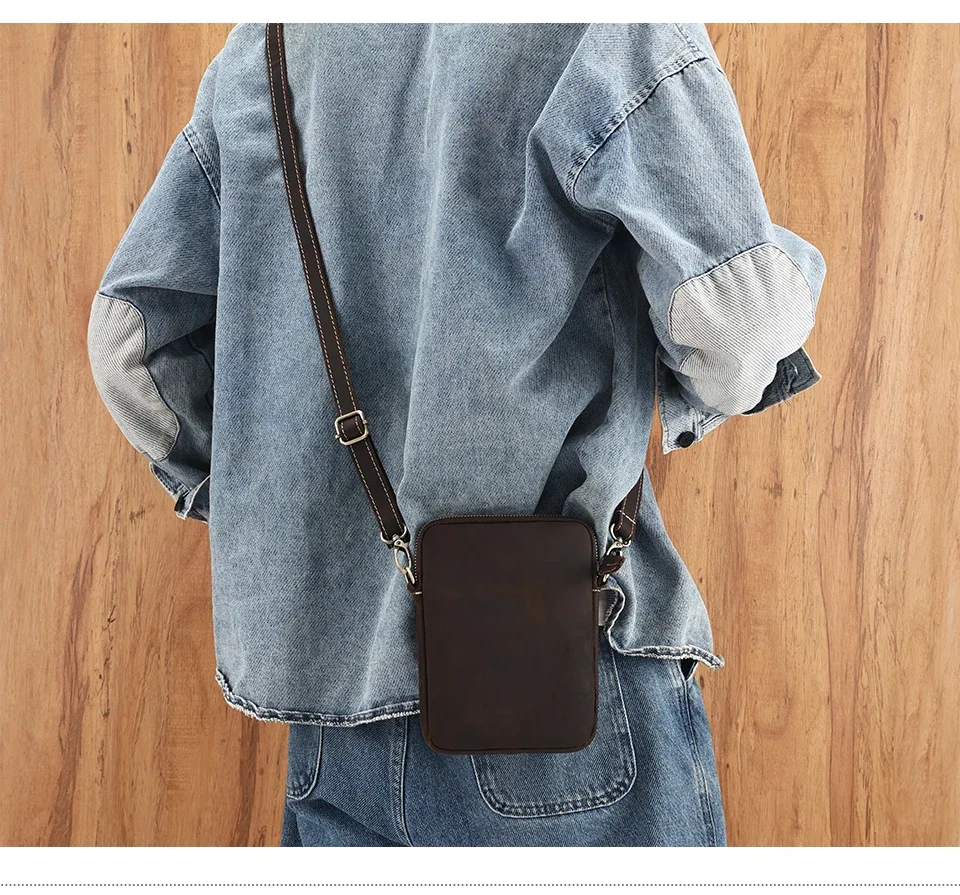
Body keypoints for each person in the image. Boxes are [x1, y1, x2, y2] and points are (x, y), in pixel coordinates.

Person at [87, 23, 825, 847]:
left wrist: (282, 499)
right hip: (553, 688)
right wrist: (783, 277)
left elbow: (129, 341)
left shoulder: (266, 49)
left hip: (333, 726)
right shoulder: (606, 31)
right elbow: (742, 319)